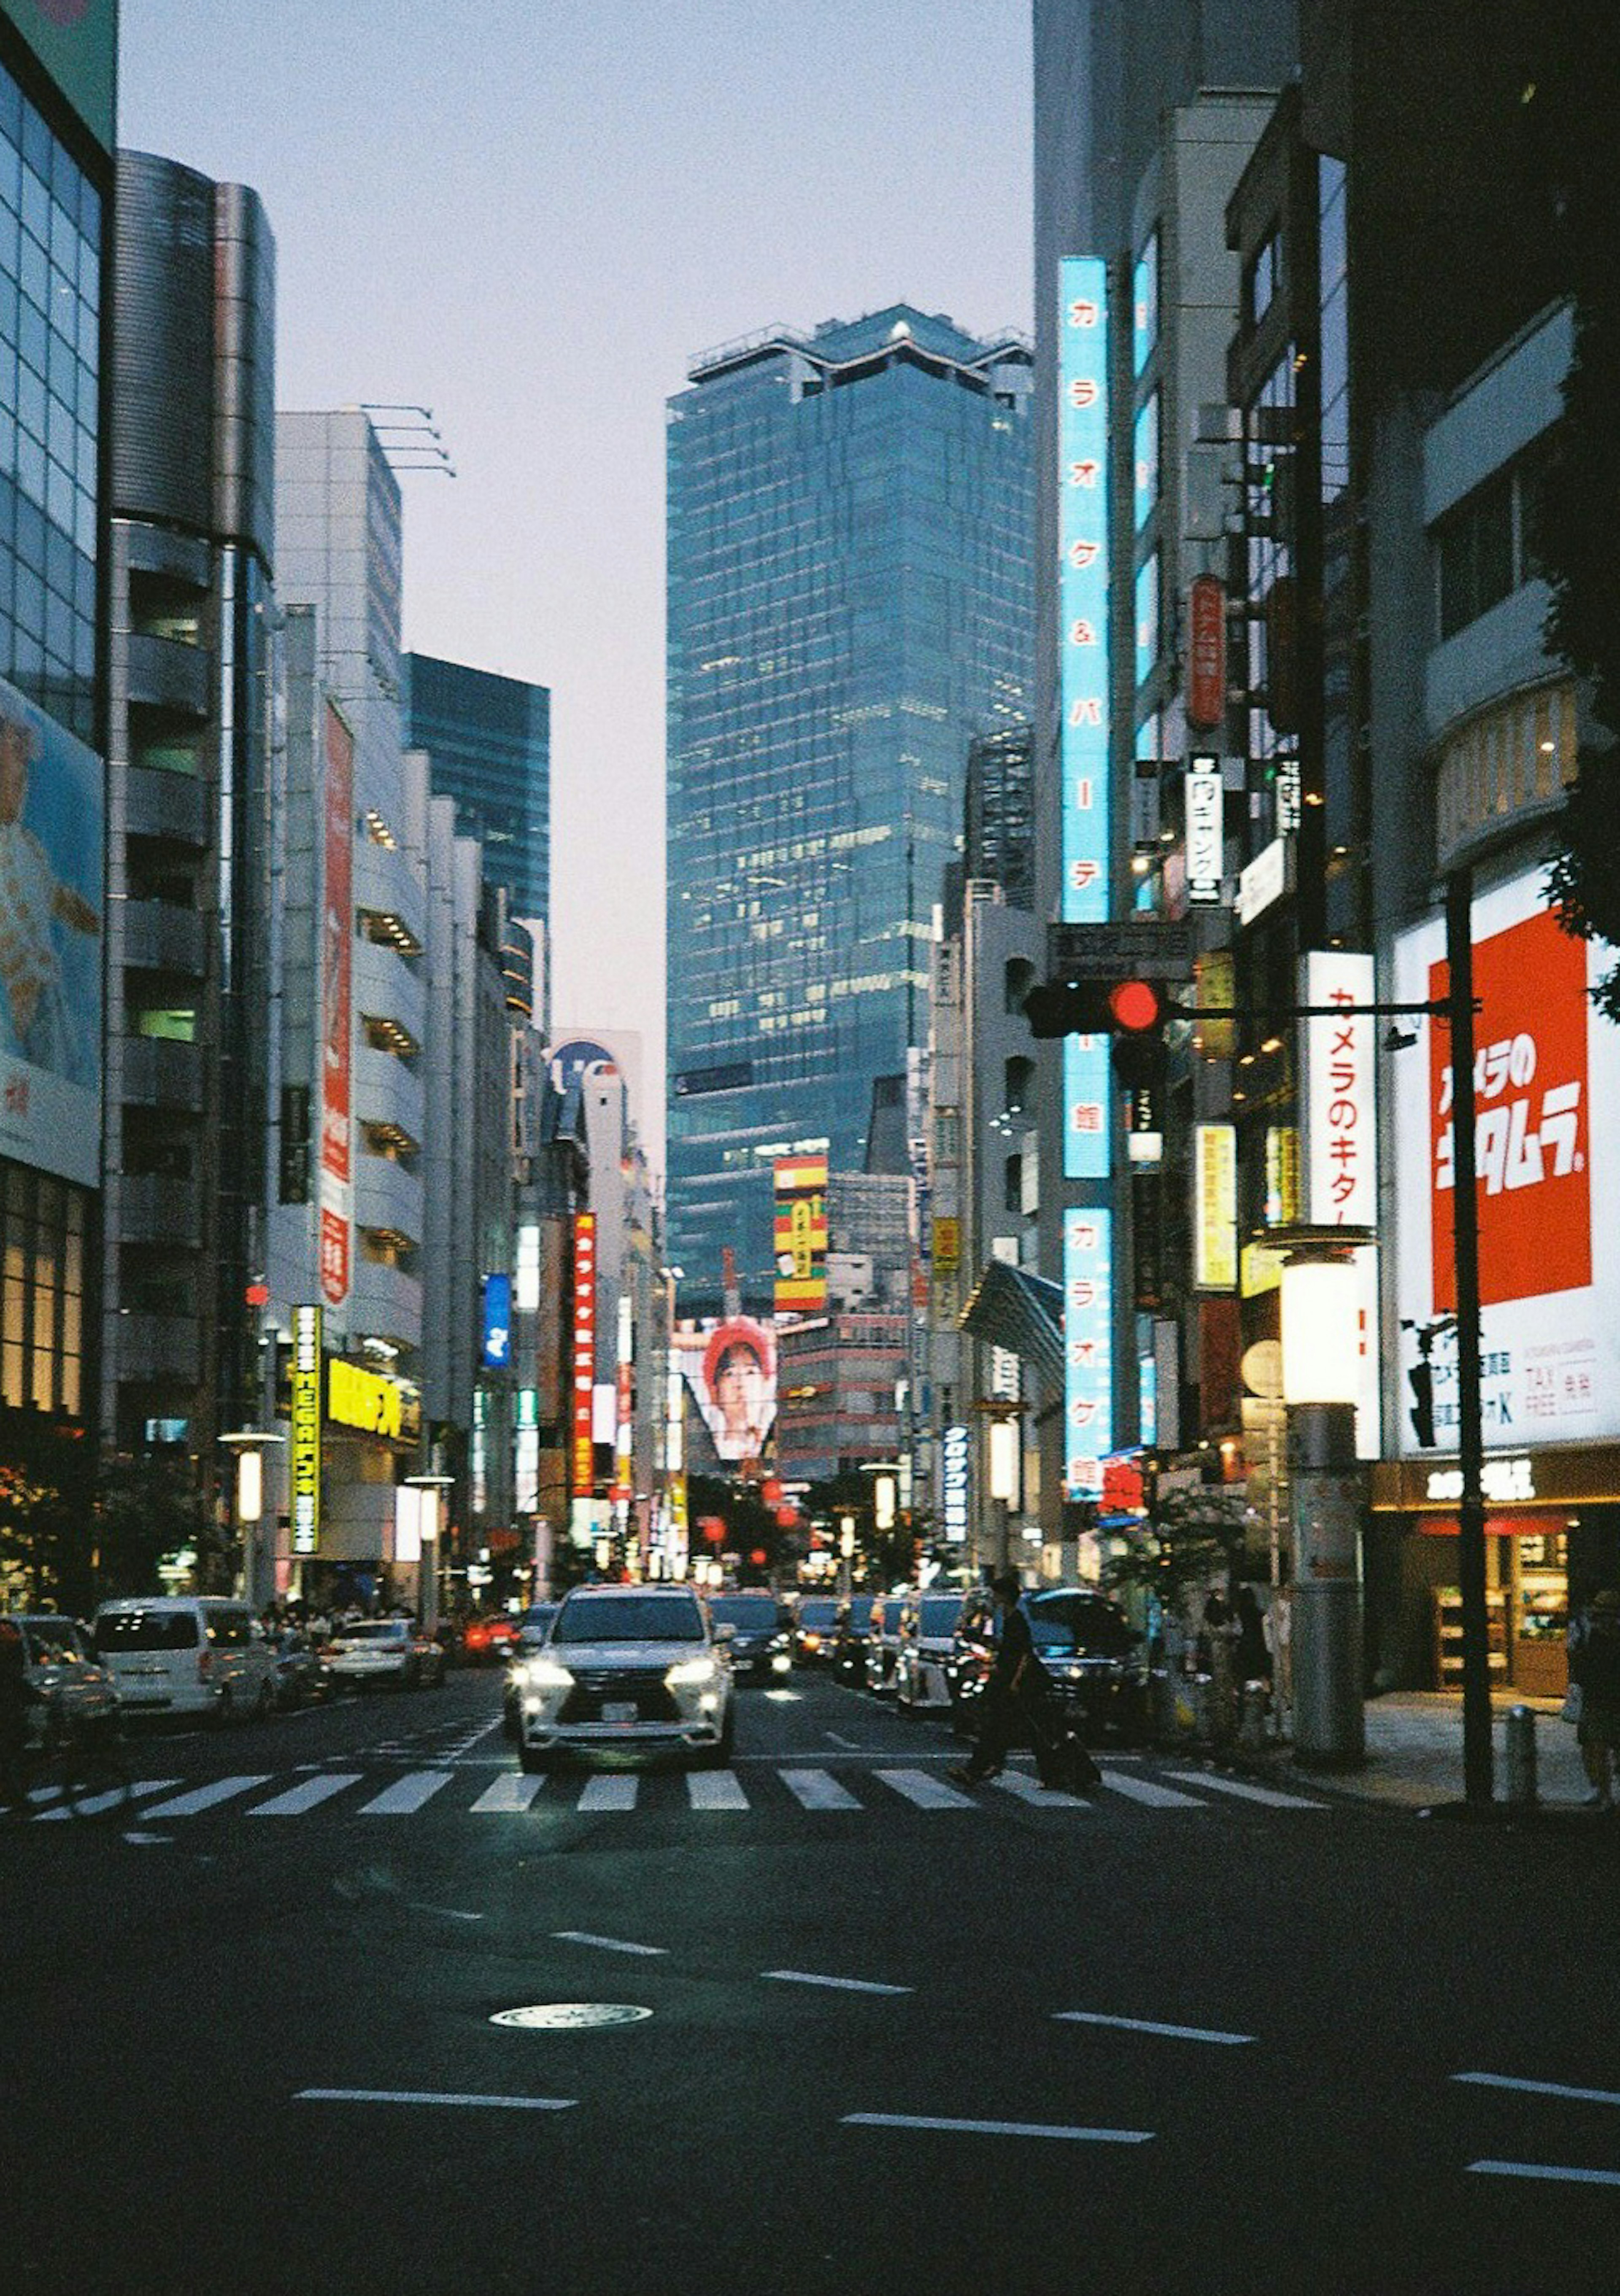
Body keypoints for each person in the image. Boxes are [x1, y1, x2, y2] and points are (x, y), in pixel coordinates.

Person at [0, 694, 100, 1080]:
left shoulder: (28, 845)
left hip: (49, 1001)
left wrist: (102, 923)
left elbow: (59, 898)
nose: (23, 780)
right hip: (21, 1015)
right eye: (16, 751)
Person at [949, 1571, 1052, 1786]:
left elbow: (1024, 1654)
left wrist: (1014, 1682)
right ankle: (986, 1766)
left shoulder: (1016, 1620)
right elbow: (1009, 1651)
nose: (993, 1599)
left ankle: (983, 1768)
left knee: (1004, 1727)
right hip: (1007, 1681)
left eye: (995, 1595)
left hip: (1012, 1684)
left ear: (1005, 1595)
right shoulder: (1009, 1618)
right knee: (1002, 1727)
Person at [1567, 1587, 1620, 1810]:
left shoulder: (1589, 1633)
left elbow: (1577, 1659)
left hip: (1597, 1696)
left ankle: (1604, 1793)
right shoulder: (1591, 1632)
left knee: (1596, 1746)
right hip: (1603, 1696)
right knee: (1601, 1746)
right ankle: (1606, 1792)